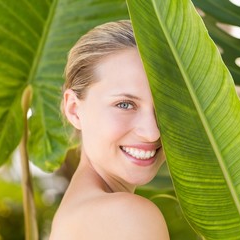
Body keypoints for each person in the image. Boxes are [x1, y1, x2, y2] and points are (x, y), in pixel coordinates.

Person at [50, 20, 169, 240]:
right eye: (125, 104)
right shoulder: (126, 216)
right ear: (75, 110)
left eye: (163, 108)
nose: (152, 133)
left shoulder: (73, 215)